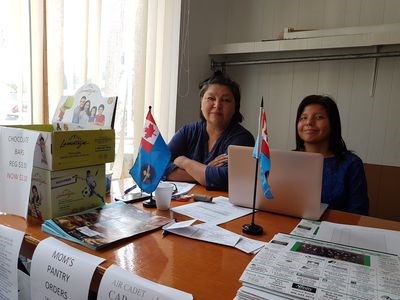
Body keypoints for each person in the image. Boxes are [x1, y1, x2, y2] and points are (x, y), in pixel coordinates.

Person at [164, 71, 255, 191]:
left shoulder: (242, 138)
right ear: (201, 103)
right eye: (211, 98)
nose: (217, 105)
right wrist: (205, 170)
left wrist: (185, 162)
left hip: (222, 206)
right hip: (185, 203)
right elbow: (159, 167)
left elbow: (226, 178)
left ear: (235, 108)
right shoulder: (188, 131)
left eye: (226, 100)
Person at [295, 95, 369, 215]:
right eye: (303, 117)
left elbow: (358, 212)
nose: (309, 122)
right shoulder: (288, 159)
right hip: (288, 227)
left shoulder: (351, 163)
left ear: (333, 124)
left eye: (319, 117)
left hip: (336, 230)